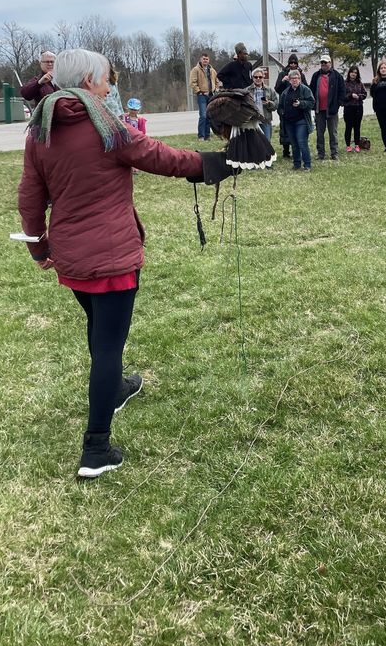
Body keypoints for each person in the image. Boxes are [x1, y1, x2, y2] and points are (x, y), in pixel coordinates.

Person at [17, 49, 232, 479]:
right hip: (112, 259)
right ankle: (96, 449)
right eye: (105, 79)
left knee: (99, 330)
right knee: (108, 347)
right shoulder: (106, 125)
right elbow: (158, 157)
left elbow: (30, 195)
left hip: (72, 259)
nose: (110, 86)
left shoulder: (39, 130)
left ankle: (114, 388)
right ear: (88, 80)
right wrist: (219, 163)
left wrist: (40, 248)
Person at [309, 53, 346, 161]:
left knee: (333, 133)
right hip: (319, 109)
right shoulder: (316, 76)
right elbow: (311, 90)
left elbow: (342, 91)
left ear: (330, 63)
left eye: (325, 62)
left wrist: (338, 104)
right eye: (322, 62)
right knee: (320, 133)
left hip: (332, 110)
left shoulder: (337, 76)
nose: (324, 64)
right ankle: (321, 154)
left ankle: (334, 153)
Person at [277, 68, 315, 171]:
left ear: (300, 79)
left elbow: (311, 102)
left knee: (302, 142)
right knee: (294, 144)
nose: (294, 80)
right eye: (292, 78)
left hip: (301, 121)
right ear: (289, 80)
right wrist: (282, 113)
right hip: (289, 122)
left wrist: (300, 104)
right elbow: (279, 107)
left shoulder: (305, 89)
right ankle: (297, 164)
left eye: (297, 78)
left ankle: (307, 165)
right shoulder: (285, 92)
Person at [275, 54, 304, 159]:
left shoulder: (300, 74)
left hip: (297, 106)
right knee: (285, 129)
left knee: (297, 129)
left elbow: (305, 88)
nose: (292, 65)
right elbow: (277, 89)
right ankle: (286, 151)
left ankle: (296, 150)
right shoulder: (283, 73)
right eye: (291, 63)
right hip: (285, 106)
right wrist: (283, 81)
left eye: (294, 63)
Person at [189, 52, 218, 141]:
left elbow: (217, 81)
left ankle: (207, 136)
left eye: (207, 59)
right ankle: (201, 136)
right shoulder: (196, 70)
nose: (205, 60)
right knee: (203, 116)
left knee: (209, 116)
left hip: (211, 95)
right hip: (202, 96)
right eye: (204, 59)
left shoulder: (212, 70)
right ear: (201, 59)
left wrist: (216, 89)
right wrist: (198, 91)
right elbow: (192, 82)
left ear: (209, 60)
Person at [246, 67, 278, 142]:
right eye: (255, 77)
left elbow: (276, 105)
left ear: (263, 78)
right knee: (252, 143)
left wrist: (268, 103)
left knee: (266, 143)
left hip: (265, 120)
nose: (258, 79)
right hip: (252, 121)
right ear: (252, 78)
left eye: (260, 77)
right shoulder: (247, 90)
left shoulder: (269, 90)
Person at [343, 65, 367, 152]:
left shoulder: (360, 83)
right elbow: (342, 96)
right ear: (349, 73)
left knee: (357, 127)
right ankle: (348, 145)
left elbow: (365, 94)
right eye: (352, 72)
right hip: (348, 108)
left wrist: (359, 96)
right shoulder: (344, 83)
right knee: (348, 127)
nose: (354, 74)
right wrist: (350, 95)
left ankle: (357, 145)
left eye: (355, 73)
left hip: (358, 107)